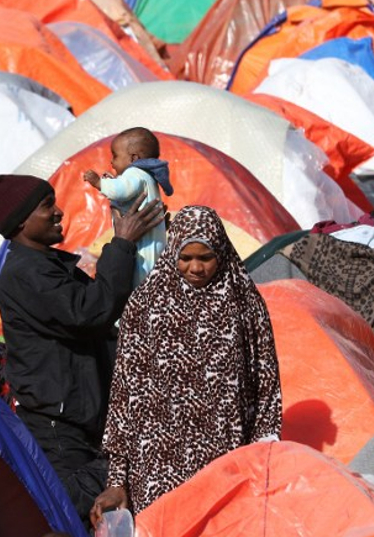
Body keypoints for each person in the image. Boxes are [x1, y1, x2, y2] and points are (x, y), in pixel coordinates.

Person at [0, 173, 166, 524]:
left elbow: (107, 309)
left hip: (81, 418)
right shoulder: (26, 273)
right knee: (78, 511)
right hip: (59, 427)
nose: (59, 212)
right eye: (46, 206)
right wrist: (123, 244)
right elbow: (90, 312)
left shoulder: (49, 265)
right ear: (22, 221)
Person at [90, 205, 283, 525]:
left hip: (226, 466)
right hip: (154, 469)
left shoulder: (244, 303)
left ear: (221, 251)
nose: (195, 268)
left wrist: (264, 456)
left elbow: (265, 386)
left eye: (205, 257)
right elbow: (126, 394)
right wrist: (116, 479)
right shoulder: (147, 302)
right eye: (185, 257)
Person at [83, 127, 173, 288]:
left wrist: (99, 183)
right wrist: (115, 181)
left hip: (142, 247)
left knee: (140, 281)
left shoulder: (136, 173)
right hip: (152, 243)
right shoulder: (145, 176)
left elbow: (121, 191)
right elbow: (126, 194)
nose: (111, 162)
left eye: (115, 156)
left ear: (133, 158)